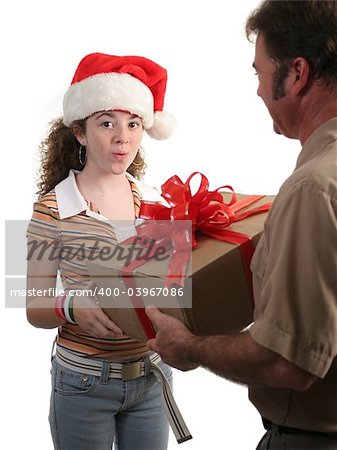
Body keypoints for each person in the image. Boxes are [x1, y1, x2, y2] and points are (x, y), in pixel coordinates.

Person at [145, 1, 337, 449]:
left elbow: (288, 364)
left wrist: (189, 346)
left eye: (259, 72)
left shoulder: (312, 188)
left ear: (296, 74)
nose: (255, 90)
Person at [26, 53, 184, 450]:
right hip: (83, 384)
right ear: (79, 131)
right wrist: (72, 306)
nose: (122, 137)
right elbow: (34, 307)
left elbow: (170, 290)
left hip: (151, 377)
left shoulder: (156, 202)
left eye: (133, 124)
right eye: (107, 123)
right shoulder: (54, 208)